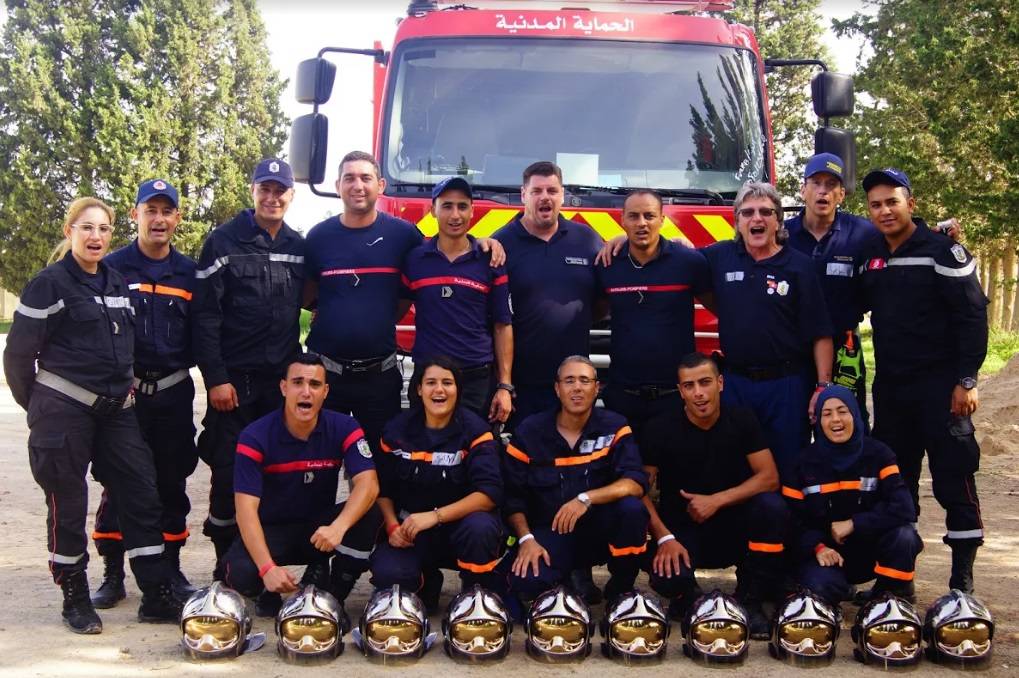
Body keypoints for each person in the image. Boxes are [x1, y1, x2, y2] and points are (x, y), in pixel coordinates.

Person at [3, 198, 182, 633]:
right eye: (86, 228)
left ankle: (155, 594)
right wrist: (41, 408)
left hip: (116, 412)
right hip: (64, 412)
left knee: (141, 494)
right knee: (68, 504)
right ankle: (75, 597)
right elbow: (18, 357)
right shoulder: (49, 284)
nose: (96, 236)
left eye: (103, 229)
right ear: (70, 232)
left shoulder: (116, 281)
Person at [303, 151, 506, 451]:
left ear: (381, 185)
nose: (358, 185)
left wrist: (484, 242)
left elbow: (445, 248)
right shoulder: (318, 237)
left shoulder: (403, 235)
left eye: (366, 178)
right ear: (337, 186)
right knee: (321, 459)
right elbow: (306, 294)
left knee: (385, 461)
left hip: (380, 378)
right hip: (328, 375)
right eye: (349, 178)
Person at [857, 168, 988, 593]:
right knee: (897, 485)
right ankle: (897, 581)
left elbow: (972, 318)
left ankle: (962, 584)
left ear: (910, 204)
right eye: (876, 205)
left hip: (942, 389)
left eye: (892, 202)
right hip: (893, 391)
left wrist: (966, 380)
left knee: (955, 479)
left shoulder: (943, 251)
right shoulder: (869, 254)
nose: (885, 211)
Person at [192, 158, 305, 574]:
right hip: (234, 387)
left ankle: (261, 562)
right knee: (228, 473)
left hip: (278, 387)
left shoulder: (298, 246)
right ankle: (226, 565)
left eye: (280, 190)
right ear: (253, 191)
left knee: (275, 475)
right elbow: (205, 316)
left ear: (291, 195)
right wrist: (216, 379)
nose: (272, 197)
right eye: (265, 189)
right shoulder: (223, 241)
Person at [91, 180, 199, 608]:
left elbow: (204, 332)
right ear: (135, 215)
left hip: (173, 394)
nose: (158, 219)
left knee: (172, 482)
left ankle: (170, 569)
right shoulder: (111, 269)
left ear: (177, 219)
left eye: (166, 211)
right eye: (150, 210)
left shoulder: (190, 273)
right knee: (119, 483)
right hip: (125, 398)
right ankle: (113, 572)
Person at [223, 353, 381, 618]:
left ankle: (332, 595)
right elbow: (245, 511)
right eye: (298, 382)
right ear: (284, 387)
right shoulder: (255, 436)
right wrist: (266, 569)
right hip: (271, 530)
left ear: (325, 392)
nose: (306, 392)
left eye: (315, 384)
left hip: (318, 530)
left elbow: (369, 484)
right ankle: (267, 590)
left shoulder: (345, 426)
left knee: (370, 512)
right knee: (241, 574)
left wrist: (338, 527)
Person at [640, 352, 787, 637]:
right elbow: (638, 489)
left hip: (735, 526)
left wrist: (716, 500)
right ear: (680, 391)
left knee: (772, 508)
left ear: (720, 383)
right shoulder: (659, 428)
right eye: (689, 385)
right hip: (683, 531)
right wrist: (664, 537)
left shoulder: (742, 419)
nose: (698, 393)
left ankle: (751, 598)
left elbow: (769, 478)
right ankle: (685, 596)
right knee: (667, 578)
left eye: (705, 382)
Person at [700, 182, 833, 480]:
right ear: (737, 221)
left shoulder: (799, 266)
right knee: (735, 468)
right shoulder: (720, 256)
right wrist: (621, 238)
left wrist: (822, 386)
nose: (756, 219)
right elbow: (675, 255)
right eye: (747, 213)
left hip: (787, 386)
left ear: (778, 220)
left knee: (789, 468)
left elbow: (820, 332)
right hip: (736, 384)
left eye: (765, 212)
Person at [501, 356, 649, 607]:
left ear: (597, 387)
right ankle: (563, 579)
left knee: (632, 511)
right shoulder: (530, 431)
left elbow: (635, 481)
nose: (577, 388)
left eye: (584, 381)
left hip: (600, 532)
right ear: (557, 388)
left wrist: (586, 498)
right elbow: (512, 497)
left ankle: (622, 587)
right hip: (552, 531)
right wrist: (526, 540)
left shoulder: (615, 426)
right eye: (569, 381)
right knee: (526, 581)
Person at [370, 357, 504, 611]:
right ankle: (426, 581)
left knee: (481, 528)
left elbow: (489, 493)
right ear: (419, 389)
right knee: (389, 573)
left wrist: (435, 516)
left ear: (458, 390)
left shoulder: (475, 431)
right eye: (431, 382)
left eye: (447, 383)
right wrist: (392, 525)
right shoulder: (397, 429)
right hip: (412, 531)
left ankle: (475, 594)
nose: (439, 390)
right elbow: (382, 488)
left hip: (460, 529)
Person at [785, 385, 922, 606]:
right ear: (818, 421)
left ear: (855, 414)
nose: (836, 420)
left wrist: (855, 524)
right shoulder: (802, 463)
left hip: (871, 549)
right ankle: (840, 590)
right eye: (827, 414)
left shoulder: (879, 454)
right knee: (819, 588)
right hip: (828, 555)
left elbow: (904, 507)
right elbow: (791, 520)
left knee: (904, 536)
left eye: (842, 411)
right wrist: (817, 547)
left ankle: (892, 591)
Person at [492, 162, 605, 425]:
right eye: (537, 191)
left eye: (552, 191)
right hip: (523, 384)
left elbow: (603, 301)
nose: (545, 197)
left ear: (562, 195)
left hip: (574, 382)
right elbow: (493, 316)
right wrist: (503, 383)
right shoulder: (502, 243)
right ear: (523, 195)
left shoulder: (587, 240)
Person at [596, 189, 711, 441]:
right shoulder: (607, 264)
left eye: (649, 216)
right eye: (633, 216)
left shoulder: (689, 262)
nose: (642, 223)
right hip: (623, 397)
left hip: (675, 397)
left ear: (662, 219)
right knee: (625, 462)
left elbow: (720, 308)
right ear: (622, 220)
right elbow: (595, 312)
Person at [402, 177, 513, 422]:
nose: (455, 215)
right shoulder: (415, 260)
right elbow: (396, 309)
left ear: (472, 211)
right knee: (424, 443)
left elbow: (503, 325)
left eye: (462, 206)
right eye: (447, 206)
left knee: (474, 444)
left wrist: (505, 386)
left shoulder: (490, 259)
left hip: (475, 380)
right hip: (428, 378)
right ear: (433, 210)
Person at [784, 154, 878, 424]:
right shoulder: (782, 235)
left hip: (843, 347)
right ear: (803, 190)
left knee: (848, 421)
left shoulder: (862, 233)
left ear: (842, 194)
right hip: (793, 348)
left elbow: (901, 240)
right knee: (795, 423)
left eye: (831, 184)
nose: (823, 191)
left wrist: (937, 234)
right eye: (816, 183)